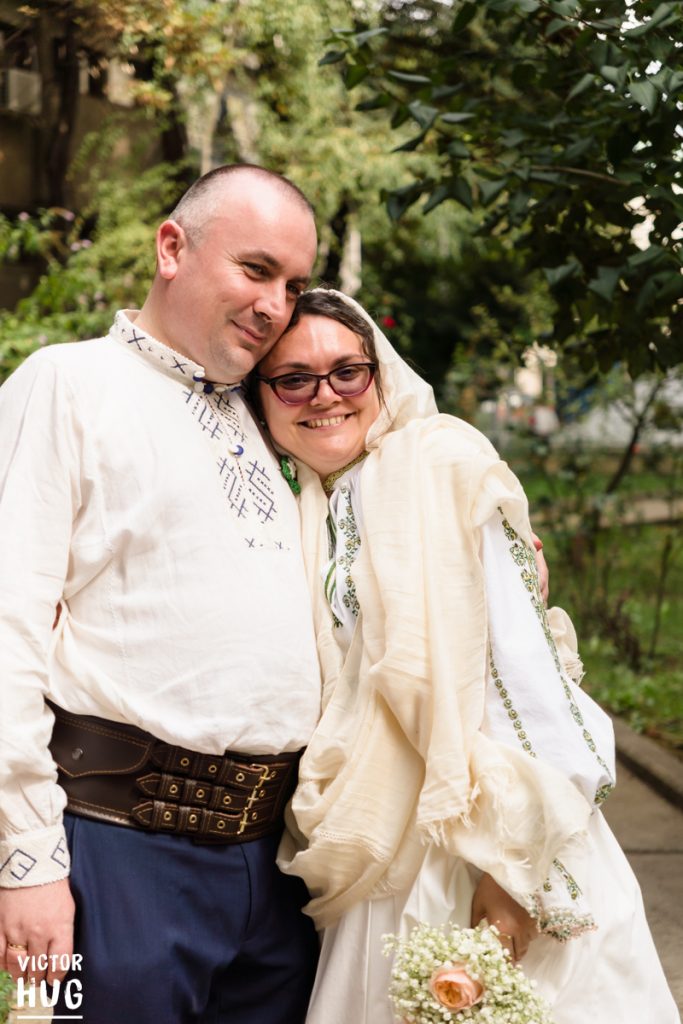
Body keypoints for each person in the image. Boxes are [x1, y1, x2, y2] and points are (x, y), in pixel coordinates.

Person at [254, 288, 680, 1024]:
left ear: (380, 375)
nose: (325, 394)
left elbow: (525, 674)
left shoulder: (439, 463)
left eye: (347, 371)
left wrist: (513, 877)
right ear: (263, 397)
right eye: (294, 379)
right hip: (375, 844)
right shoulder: (307, 505)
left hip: (487, 842)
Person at [0, 164, 323, 1023]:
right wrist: (26, 864)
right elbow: (5, 631)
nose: (275, 306)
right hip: (113, 853)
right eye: (256, 270)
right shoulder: (65, 384)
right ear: (172, 248)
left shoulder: (276, 415)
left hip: (275, 871)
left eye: (293, 286)